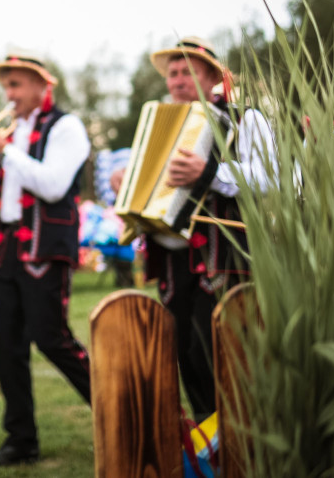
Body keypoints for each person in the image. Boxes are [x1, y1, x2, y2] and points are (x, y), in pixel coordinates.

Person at [118, 36, 274, 420]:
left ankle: (241, 447)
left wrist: (210, 174)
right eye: (172, 73)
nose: (177, 80)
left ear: (214, 78)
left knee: (220, 355)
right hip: (172, 258)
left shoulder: (245, 117)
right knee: (184, 355)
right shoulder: (159, 121)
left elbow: (273, 179)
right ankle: (211, 446)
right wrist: (126, 181)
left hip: (223, 256)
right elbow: (149, 188)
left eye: (188, 71)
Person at [0, 55, 92, 469]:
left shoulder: (66, 127)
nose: (10, 95)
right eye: (7, 87)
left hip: (44, 251)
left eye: (18, 86)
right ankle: (21, 441)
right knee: (8, 351)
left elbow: (53, 185)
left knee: (53, 340)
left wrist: (4, 151)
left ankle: (119, 416)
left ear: (43, 87)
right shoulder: (15, 131)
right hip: (7, 254)